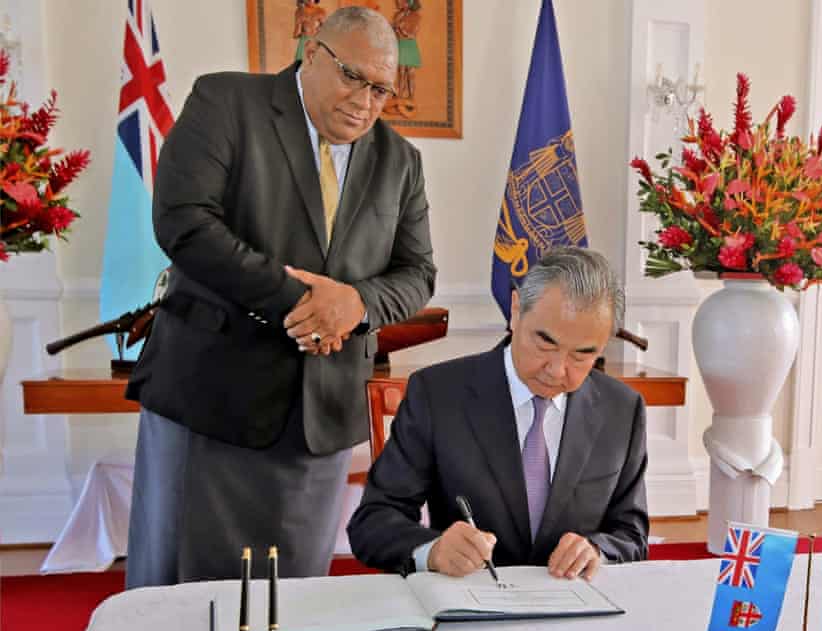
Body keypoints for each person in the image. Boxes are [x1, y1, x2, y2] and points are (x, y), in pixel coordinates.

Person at [125, 7, 436, 588]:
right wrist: (302, 301)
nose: (365, 102)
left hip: (323, 414)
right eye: (352, 77)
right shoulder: (226, 103)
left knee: (296, 599)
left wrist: (355, 304)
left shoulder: (401, 162)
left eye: (381, 90)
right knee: (187, 596)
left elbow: (418, 273)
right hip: (211, 397)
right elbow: (184, 222)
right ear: (312, 53)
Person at [348, 247, 647, 580]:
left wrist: (597, 551)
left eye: (582, 355)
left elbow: (631, 534)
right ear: (516, 310)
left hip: (575, 613)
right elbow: (372, 521)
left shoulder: (622, 409)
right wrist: (432, 551)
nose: (557, 369)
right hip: (470, 607)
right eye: (545, 342)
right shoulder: (438, 393)